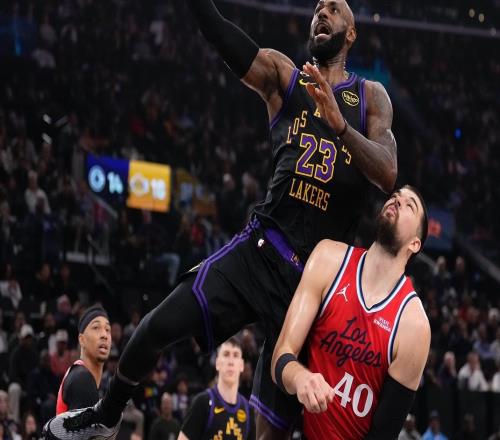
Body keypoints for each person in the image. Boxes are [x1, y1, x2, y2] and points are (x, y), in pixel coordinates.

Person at [43, 0, 398, 437]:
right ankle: (106, 414)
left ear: (352, 33)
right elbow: (219, 31)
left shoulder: (371, 97)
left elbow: (387, 173)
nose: (322, 12)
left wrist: (341, 126)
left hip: (312, 284)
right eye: (317, 8)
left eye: (334, 8)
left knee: (270, 430)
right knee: (156, 327)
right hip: (261, 250)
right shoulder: (287, 77)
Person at [272, 186, 431, 439]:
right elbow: (281, 356)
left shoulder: (414, 324)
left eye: (409, 204)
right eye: (395, 196)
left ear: (415, 243)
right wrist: (299, 377)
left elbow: (383, 434)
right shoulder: (328, 259)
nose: (397, 200)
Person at [178, 338, 254, 440]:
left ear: (241, 365)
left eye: (236, 355)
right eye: (226, 354)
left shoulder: (248, 410)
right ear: (217, 363)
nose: (231, 362)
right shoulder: (203, 403)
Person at [55, 306, 111, 414]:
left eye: (107, 329)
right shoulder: (82, 378)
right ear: (82, 340)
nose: (104, 335)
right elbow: (82, 426)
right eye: (96, 328)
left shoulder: (82, 374)